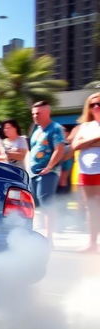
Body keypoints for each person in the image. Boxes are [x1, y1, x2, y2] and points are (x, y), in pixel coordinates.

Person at [28, 100, 65, 241]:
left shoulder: (55, 128)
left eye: (39, 113)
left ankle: (49, 238)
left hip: (48, 173)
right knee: (35, 204)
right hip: (34, 173)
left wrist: (49, 167)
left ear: (47, 112)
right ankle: (39, 235)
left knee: (47, 203)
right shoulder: (36, 130)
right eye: (34, 114)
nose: (36, 116)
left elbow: (59, 149)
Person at [72, 91, 100, 253]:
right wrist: (96, 139)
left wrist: (86, 143)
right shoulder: (85, 126)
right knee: (92, 208)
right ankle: (92, 243)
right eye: (92, 104)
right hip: (87, 172)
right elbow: (76, 145)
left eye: (99, 104)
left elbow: (81, 144)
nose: (96, 107)